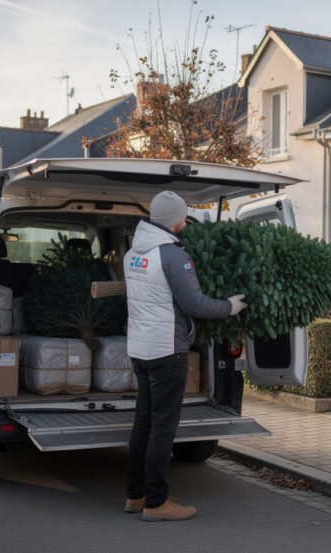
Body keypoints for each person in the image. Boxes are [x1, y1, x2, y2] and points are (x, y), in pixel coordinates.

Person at [123, 191, 248, 521]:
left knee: (143, 423)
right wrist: (229, 307)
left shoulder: (133, 252)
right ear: (175, 220)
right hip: (167, 350)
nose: (184, 221)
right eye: (182, 216)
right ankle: (156, 503)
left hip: (140, 348)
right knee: (163, 428)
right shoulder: (172, 255)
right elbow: (194, 304)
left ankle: (136, 495)